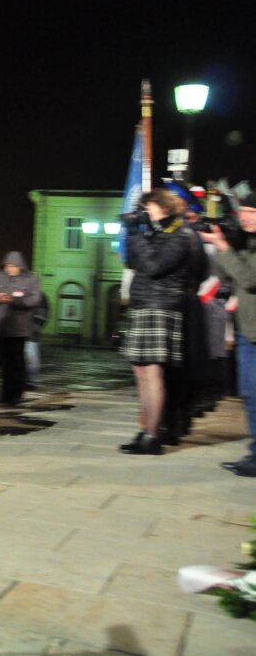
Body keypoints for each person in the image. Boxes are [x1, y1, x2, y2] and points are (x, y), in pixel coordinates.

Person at [119, 188, 201, 456]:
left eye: (150, 206)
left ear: (165, 207)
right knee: (140, 371)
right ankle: (145, 430)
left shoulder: (180, 233)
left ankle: (153, 436)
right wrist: (132, 232)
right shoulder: (154, 232)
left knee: (153, 371)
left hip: (161, 307)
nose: (146, 211)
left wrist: (137, 234)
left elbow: (154, 267)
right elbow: (132, 261)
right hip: (143, 304)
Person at [198, 193, 256, 476]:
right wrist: (222, 244)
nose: (245, 216)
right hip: (248, 331)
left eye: (252, 212)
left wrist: (224, 247)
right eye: (243, 211)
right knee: (250, 395)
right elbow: (225, 277)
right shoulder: (246, 242)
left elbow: (249, 279)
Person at [0, 251, 43, 406]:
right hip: (2, 326)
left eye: (13, 266)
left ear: (20, 266)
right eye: (7, 266)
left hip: (19, 327)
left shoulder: (31, 278)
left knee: (17, 362)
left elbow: (35, 298)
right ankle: (5, 394)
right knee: (4, 362)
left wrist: (16, 300)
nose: (9, 269)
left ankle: (16, 394)